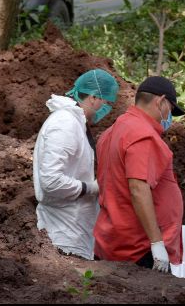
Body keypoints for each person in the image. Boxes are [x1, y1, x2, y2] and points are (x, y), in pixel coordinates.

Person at [93, 76, 185, 272]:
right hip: (138, 250)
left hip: (113, 241)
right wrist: (156, 243)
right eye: (170, 109)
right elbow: (138, 188)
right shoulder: (143, 135)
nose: (169, 116)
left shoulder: (114, 130)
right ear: (160, 102)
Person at [33, 68, 119, 260]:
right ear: (94, 98)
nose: (108, 108)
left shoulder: (76, 122)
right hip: (63, 231)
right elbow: (51, 181)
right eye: (107, 102)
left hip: (73, 227)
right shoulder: (65, 124)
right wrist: (90, 188)